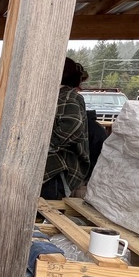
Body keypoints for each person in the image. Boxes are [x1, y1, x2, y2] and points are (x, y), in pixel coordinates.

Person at [42, 58, 90, 200]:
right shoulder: (58, 95)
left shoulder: (67, 95)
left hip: (57, 170)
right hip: (53, 170)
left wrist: (47, 146)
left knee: (44, 211)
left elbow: (73, 125)